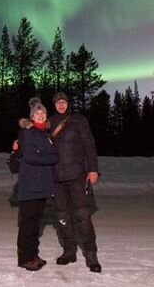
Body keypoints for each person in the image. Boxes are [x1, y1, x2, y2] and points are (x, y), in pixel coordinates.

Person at [49, 91, 102, 273]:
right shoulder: (51, 122)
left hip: (77, 175)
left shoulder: (79, 120)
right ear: (54, 105)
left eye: (63, 102)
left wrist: (93, 169)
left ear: (68, 103)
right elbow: (39, 142)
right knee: (62, 217)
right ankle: (69, 251)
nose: (61, 105)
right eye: (58, 103)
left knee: (82, 216)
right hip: (56, 178)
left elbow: (89, 144)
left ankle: (91, 253)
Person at [15, 97, 59, 271]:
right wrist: (52, 158)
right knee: (27, 223)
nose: (40, 115)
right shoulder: (27, 132)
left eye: (43, 112)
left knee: (36, 224)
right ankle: (25, 258)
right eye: (37, 113)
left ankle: (33, 254)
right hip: (30, 185)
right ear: (32, 116)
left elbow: (46, 154)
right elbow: (32, 156)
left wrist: (48, 155)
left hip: (41, 186)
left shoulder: (45, 134)